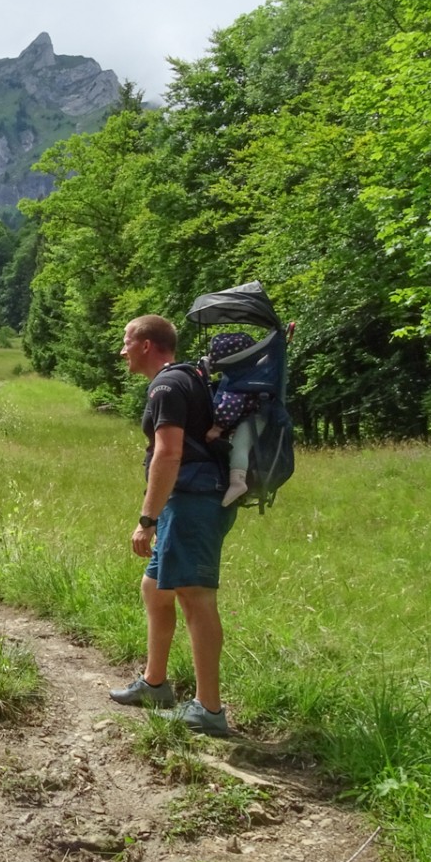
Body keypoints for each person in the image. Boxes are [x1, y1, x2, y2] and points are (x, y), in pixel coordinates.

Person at [109, 314, 238, 737]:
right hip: (187, 499)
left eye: (127, 341)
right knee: (155, 587)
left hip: (192, 501)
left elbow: (168, 454)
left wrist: (146, 520)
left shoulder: (166, 385)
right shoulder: (186, 379)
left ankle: (209, 709)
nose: (122, 350)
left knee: (195, 597)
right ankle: (156, 684)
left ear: (147, 344)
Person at [204, 331, 263, 506]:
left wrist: (217, 428)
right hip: (252, 415)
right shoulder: (248, 372)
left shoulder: (238, 380)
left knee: (239, 447)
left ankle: (238, 482)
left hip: (254, 418)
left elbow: (231, 406)